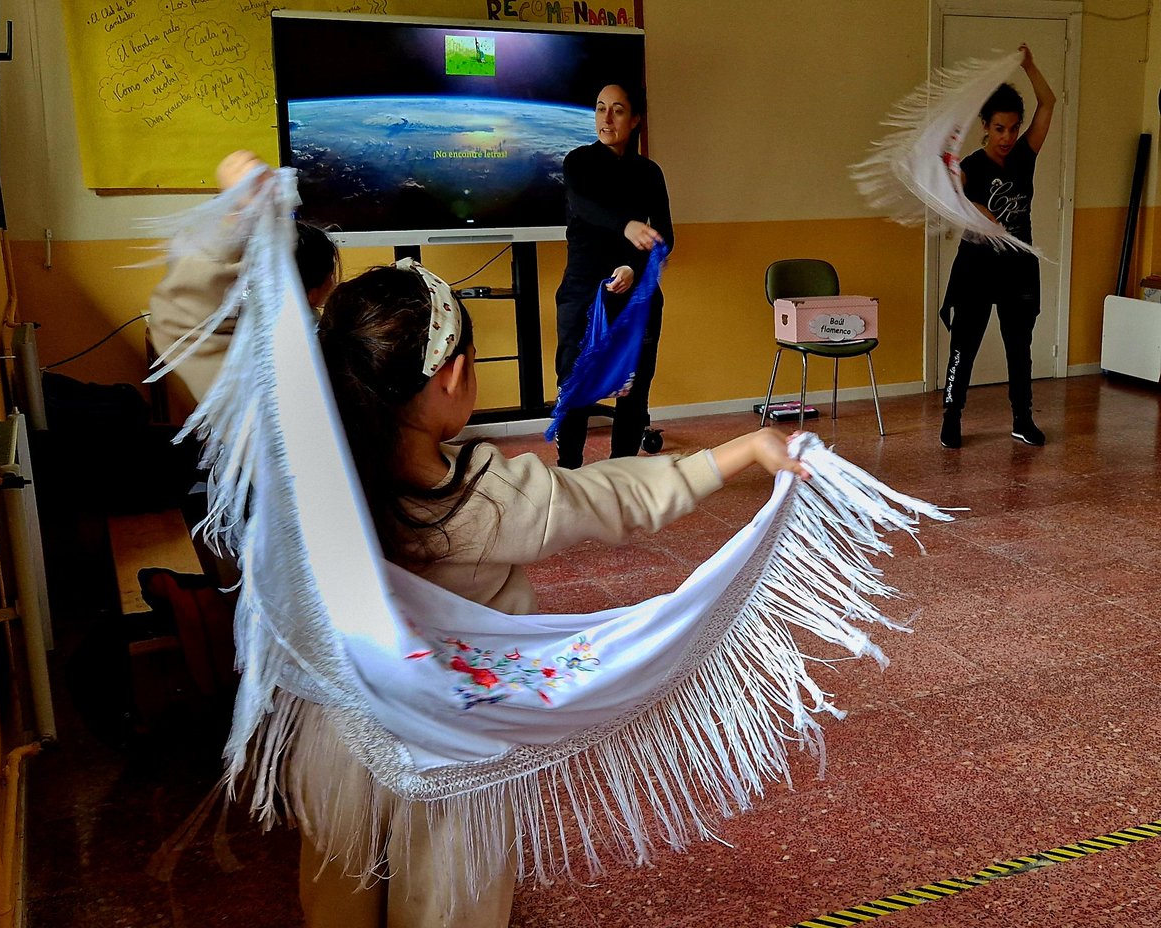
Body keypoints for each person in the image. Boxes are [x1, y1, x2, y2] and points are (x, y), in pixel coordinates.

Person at [159, 151, 809, 928]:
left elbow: (183, 329)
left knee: (336, 896)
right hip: (455, 749)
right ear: (454, 375)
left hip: (339, 730)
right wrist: (739, 451)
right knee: (448, 909)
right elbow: (617, 497)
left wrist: (233, 224)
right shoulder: (486, 495)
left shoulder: (291, 456)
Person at [147, 148, 341, 410]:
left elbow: (180, 324)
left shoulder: (258, 384)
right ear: (316, 292)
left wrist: (236, 215)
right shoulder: (328, 362)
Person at [939, 44, 1055, 449]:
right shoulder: (970, 167)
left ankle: (1022, 418)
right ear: (985, 126)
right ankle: (951, 416)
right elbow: (949, 196)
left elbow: (1048, 103)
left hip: (1019, 267)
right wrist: (973, 205)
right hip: (976, 267)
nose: (1007, 137)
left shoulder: (1025, 155)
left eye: (1013, 128)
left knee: (1019, 347)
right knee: (964, 345)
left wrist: (1030, 65)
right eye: (999, 128)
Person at [554, 81, 673, 468]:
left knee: (635, 388)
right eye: (600, 108)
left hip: (636, 295)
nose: (606, 118)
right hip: (584, 293)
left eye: (618, 110)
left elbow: (665, 237)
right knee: (576, 383)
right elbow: (585, 207)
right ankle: (569, 472)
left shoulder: (649, 173)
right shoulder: (578, 162)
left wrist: (632, 268)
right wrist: (626, 226)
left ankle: (622, 471)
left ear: (635, 119)